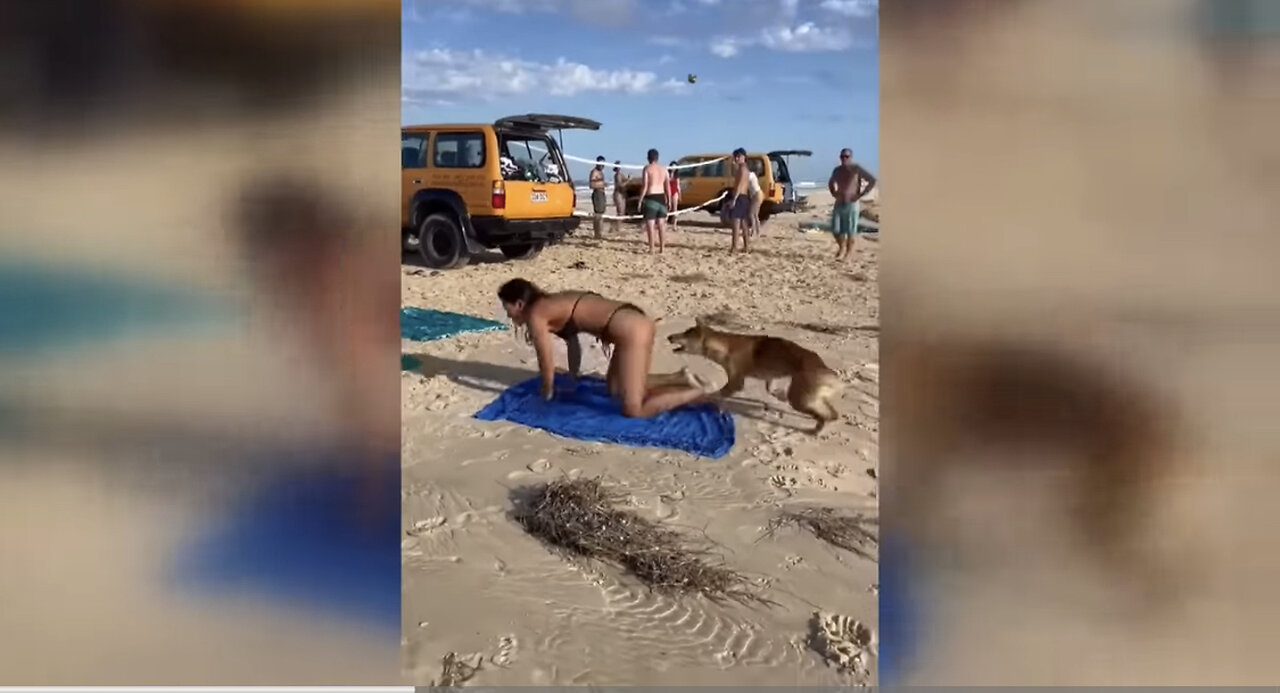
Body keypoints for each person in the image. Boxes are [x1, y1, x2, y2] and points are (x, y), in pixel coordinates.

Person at [497, 278, 708, 418]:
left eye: (507, 308)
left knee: (633, 410)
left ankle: (700, 393)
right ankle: (679, 378)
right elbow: (580, 331)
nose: (507, 314)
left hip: (630, 330)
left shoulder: (536, 314)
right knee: (614, 389)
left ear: (519, 304)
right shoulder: (551, 302)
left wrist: (547, 389)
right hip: (628, 322)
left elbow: (545, 358)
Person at [828, 147, 877, 262]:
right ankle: (842, 247)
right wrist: (833, 192)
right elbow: (831, 182)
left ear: (851, 157)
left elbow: (872, 180)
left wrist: (860, 195)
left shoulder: (856, 169)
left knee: (850, 231)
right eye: (842, 156)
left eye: (847, 156)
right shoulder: (837, 170)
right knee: (835, 229)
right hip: (839, 202)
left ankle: (848, 254)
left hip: (852, 203)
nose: (844, 159)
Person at [639, 148, 671, 253]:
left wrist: (640, 199)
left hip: (651, 197)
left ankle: (652, 248)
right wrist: (669, 200)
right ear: (657, 158)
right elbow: (668, 187)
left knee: (650, 225)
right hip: (661, 197)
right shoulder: (664, 169)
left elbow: (645, 186)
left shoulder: (647, 169)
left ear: (648, 158)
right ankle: (662, 248)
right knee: (661, 225)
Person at [727, 148, 752, 253]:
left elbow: (739, 185)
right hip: (744, 197)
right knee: (743, 223)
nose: (736, 158)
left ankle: (734, 247)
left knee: (736, 224)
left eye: (738, 156)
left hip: (740, 197)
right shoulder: (744, 168)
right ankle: (746, 247)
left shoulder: (742, 169)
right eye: (735, 156)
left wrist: (734, 199)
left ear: (743, 157)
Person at [589, 155, 608, 239]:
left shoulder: (601, 172)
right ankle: (597, 234)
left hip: (602, 193)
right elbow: (591, 184)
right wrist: (602, 184)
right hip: (597, 194)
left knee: (601, 214)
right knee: (598, 215)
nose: (602, 165)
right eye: (601, 163)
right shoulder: (594, 172)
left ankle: (599, 233)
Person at [746, 162, 764, 238]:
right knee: (755, 214)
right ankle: (757, 231)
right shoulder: (753, 175)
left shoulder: (749, 175)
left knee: (751, 214)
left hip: (756, 194)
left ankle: (753, 231)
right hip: (759, 193)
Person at [611, 160, 627, 234]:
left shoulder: (621, 174)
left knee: (622, 212)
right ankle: (616, 227)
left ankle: (616, 226)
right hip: (618, 194)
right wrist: (628, 181)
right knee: (620, 212)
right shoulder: (617, 175)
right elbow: (620, 185)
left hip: (622, 194)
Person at [666, 161, 681, 232]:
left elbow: (678, 186)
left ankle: (674, 225)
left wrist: (680, 195)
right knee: (667, 209)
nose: (673, 168)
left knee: (675, 209)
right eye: (672, 166)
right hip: (668, 192)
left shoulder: (677, 176)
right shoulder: (667, 174)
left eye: (675, 167)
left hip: (674, 193)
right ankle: (664, 224)